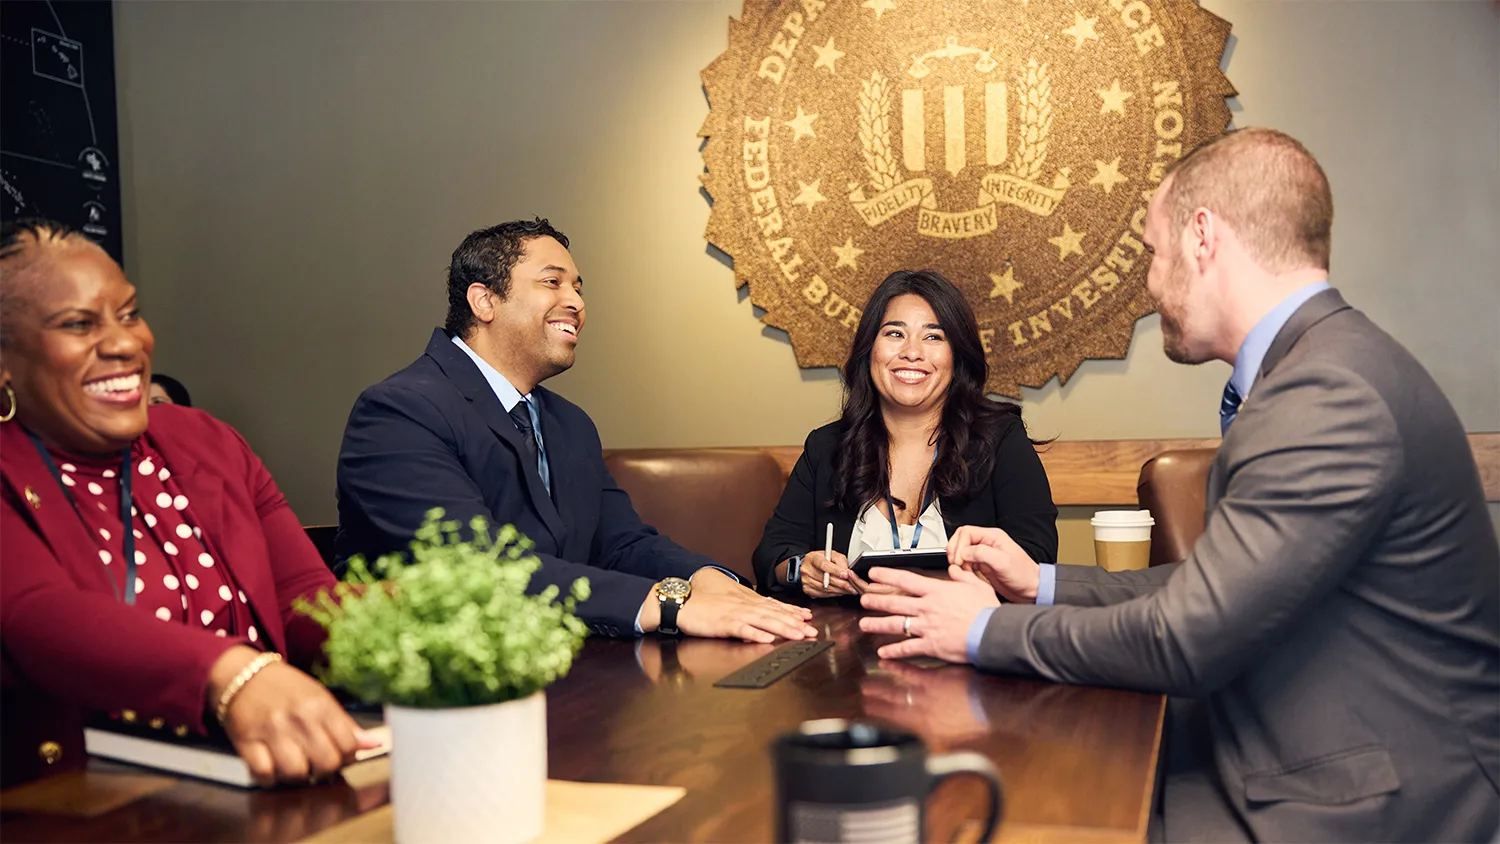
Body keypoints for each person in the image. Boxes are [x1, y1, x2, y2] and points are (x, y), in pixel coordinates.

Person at [855, 129, 1500, 841]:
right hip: (1308, 749)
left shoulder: (1327, 392)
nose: (1151, 282)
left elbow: (1186, 639)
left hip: (1365, 792)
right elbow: (1209, 587)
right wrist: (1038, 582)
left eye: (1153, 255)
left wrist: (980, 630)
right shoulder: (1324, 366)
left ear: (1202, 239)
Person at [0, 218, 378, 788]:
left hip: (260, 777)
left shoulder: (206, 439)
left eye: (129, 314)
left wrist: (403, 626)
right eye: (79, 324)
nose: (126, 343)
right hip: (71, 801)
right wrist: (230, 674)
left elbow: (300, 599)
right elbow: (34, 612)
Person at [335, 218, 815, 643]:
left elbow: (621, 544)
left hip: (566, 671)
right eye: (553, 283)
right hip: (441, 698)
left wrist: (705, 578)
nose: (576, 303)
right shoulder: (401, 411)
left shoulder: (569, 424)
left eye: (579, 288)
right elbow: (477, 572)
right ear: (484, 300)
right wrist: (669, 605)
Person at [753, 270, 1057, 598]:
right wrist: (802, 569)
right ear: (870, 349)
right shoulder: (827, 447)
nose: (912, 352)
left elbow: (1037, 559)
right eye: (895, 334)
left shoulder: (1001, 441)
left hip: (966, 639)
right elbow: (772, 555)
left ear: (956, 356)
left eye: (933, 337)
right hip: (849, 638)